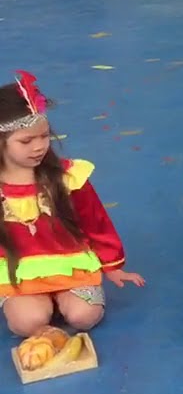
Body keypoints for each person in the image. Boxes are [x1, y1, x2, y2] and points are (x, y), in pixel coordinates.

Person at [0, 72, 144, 336]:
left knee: (84, 317)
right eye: (26, 141)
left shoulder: (68, 178)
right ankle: (39, 303)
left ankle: (64, 299)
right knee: (27, 324)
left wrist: (112, 266)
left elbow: (95, 221)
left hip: (71, 263)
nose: (38, 147)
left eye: (44, 136)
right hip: (20, 270)